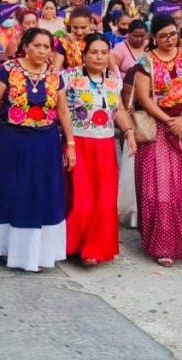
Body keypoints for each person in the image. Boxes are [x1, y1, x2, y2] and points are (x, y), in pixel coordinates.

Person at [0, 28, 76, 272]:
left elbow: (63, 112)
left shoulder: (56, 75)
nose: (42, 51)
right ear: (26, 46)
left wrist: (71, 144)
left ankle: (38, 253)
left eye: (47, 47)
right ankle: (7, 250)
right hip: (12, 140)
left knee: (42, 192)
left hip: (45, 143)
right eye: (37, 46)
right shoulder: (9, 70)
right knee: (12, 190)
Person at [133, 14, 182, 267]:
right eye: (163, 35)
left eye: (173, 34)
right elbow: (144, 98)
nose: (169, 39)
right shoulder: (146, 61)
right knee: (160, 187)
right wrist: (168, 121)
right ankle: (163, 244)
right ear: (153, 37)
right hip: (158, 127)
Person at [65, 34, 136, 265]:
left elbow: (120, 110)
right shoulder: (69, 77)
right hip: (78, 143)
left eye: (104, 52)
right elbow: (59, 111)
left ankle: (93, 250)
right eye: (94, 52)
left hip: (105, 145)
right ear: (84, 55)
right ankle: (72, 245)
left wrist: (129, 132)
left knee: (104, 201)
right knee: (82, 199)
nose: (99, 57)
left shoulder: (114, 80)